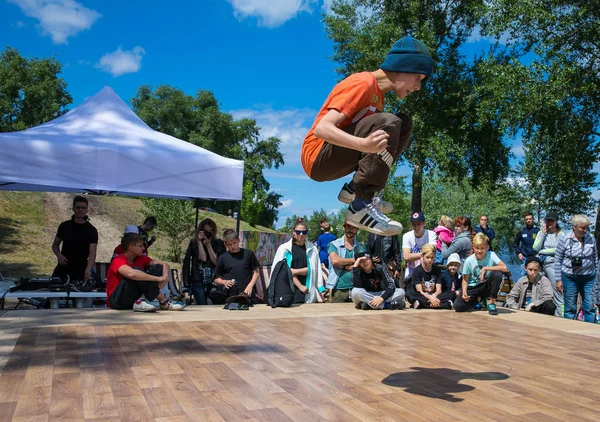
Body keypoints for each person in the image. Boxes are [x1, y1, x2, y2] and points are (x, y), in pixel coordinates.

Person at [301, 37, 434, 236]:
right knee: (390, 122)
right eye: (418, 78)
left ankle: (356, 189)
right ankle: (360, 205)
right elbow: (322, 128)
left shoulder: (378, 97)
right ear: (404, 66)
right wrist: (363, 144)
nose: (418, 87)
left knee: (403, 124)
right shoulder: (362, 83)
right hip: (317, 156)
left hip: (336, 155)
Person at [107, 233, 185, 311]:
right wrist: (158, 279)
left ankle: (141, 300)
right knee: (136, 271)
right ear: (131, 247)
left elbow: (164, 265)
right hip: (117, 300)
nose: (143, 248)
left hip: (133, 298)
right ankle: (163, 300)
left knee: (158, 267)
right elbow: (131, 274)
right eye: (140, 246)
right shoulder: (118, 260)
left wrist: (165, 277)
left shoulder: (141, 258)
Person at [554, 214, 598, 323]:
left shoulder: (591, 238)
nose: (585, 230)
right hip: (569, 277)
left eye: (586, 227)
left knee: (590, 306)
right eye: (582, 228)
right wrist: (558, 279)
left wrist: (597, 278)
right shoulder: (565, 238)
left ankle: (590, 331)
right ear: (574, 227)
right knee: (570, 308)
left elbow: (595, 258)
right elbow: (558, 259)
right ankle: (569, 331)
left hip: (589, 278)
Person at [454, 233, 508, 315]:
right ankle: (479, 299)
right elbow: (465, 279)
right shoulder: (469, 260)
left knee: (497, 274)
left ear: (487, 247)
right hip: (474, 286)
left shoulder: (491, 255)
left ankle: (492, 303)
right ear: (473, 247)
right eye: (477, 248)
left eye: (482, 248)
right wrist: (464, 292)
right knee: (458, 306)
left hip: (486, 284)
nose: (479, 251)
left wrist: (486, 268)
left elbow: (504, 268)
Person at [271, 220, 324, 303]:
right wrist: (300, 281)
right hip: (287, 290)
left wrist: (320, 287)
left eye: (304, 232)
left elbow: (316, 269)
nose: (301, 234)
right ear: (293, 232)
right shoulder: (284, 249)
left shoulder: (313, 249)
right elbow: (278, 270)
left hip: (307, 290)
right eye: (298, 232)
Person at [51, 195, 98, 281]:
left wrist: (88, 269)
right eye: (78, 207)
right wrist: (59, 255)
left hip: (81, 268)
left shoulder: (92, 230)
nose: (80, 210)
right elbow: (55, 245)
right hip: (63, 267)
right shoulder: (64, 226)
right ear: (73, 208)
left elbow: (92, 252)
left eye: (83, 208)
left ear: (87, 209)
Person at [182, 218, 226, 305]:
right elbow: (203, 259)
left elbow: (218, 263)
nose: (208, 234)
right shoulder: (194, 242)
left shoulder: (218, 243)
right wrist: (199, 241)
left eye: (210, 231)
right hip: (198, 278)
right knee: (202, 304)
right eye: (206, 231)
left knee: (213, 304)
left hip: (214, 280)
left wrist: (208, 245)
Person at [351, 244, 405, 310]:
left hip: (380, 294)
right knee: (355, 292)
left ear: (371, 259)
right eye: (361, 261)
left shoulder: (380, 268)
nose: (365, 263)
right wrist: (355, 266)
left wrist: (381, 298)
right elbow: (357, 286)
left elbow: (391, 285)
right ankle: (386, 306)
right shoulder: (357, 271)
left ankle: (369, 305)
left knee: (401, 292)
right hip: (367, 294)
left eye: (367, 259)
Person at [532, 212, 566, 317]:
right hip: (542, 265)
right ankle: (539, 312)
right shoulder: (541, 233)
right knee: (539, 289)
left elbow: (558, 250)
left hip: (554, 265)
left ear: (556, 222)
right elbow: (535, 248)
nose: (549, 223)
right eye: (548, 220)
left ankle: (560, 316)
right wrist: (542, 234)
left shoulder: (561, 234)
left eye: (552, 221)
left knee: (557, 292)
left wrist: (543, 251)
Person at [213, 229, 261, 302]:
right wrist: (224, 282)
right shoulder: (222, 258)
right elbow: (216, 278)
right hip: (230, 296)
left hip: (247, 295)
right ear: (225, 244)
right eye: (229, 244)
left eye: (234, 243)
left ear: (239, 240)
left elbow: (256, 273)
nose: (233, 246)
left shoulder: (248, 254)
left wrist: (250, 286)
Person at [405, 244, 454, 309]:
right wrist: (430, 298)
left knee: (452, 294)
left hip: (434, 295)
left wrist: (433, 297)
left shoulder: (437, 269)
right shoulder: (417, 270)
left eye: (432, 257)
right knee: (410, 293)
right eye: (427, 257)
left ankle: (422, 304)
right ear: (422, 256)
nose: (430, 260)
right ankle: (444, 305)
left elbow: (439, 290)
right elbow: (420, 291)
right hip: (423, 295)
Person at [326, 222, 359, 302]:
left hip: (356, 289)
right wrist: (355, 260)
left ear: (357, 229)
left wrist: (343, 264)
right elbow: (335, 261)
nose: (350, 230)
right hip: (339, 289)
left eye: (353, 228)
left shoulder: (359, 246)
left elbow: (363, 263)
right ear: (344, 228)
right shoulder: (334, 244)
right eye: (348, 227)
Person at [402, 212, 437, 282]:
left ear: (424, 223)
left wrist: (413, 256)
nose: (416, 227)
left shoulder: (431, 234)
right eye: (414, 224)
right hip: (411, 274)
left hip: (428, 273)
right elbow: (406, 257)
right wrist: (424, 254)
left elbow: (431, 251)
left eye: (419, 224)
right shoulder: (407, 236)